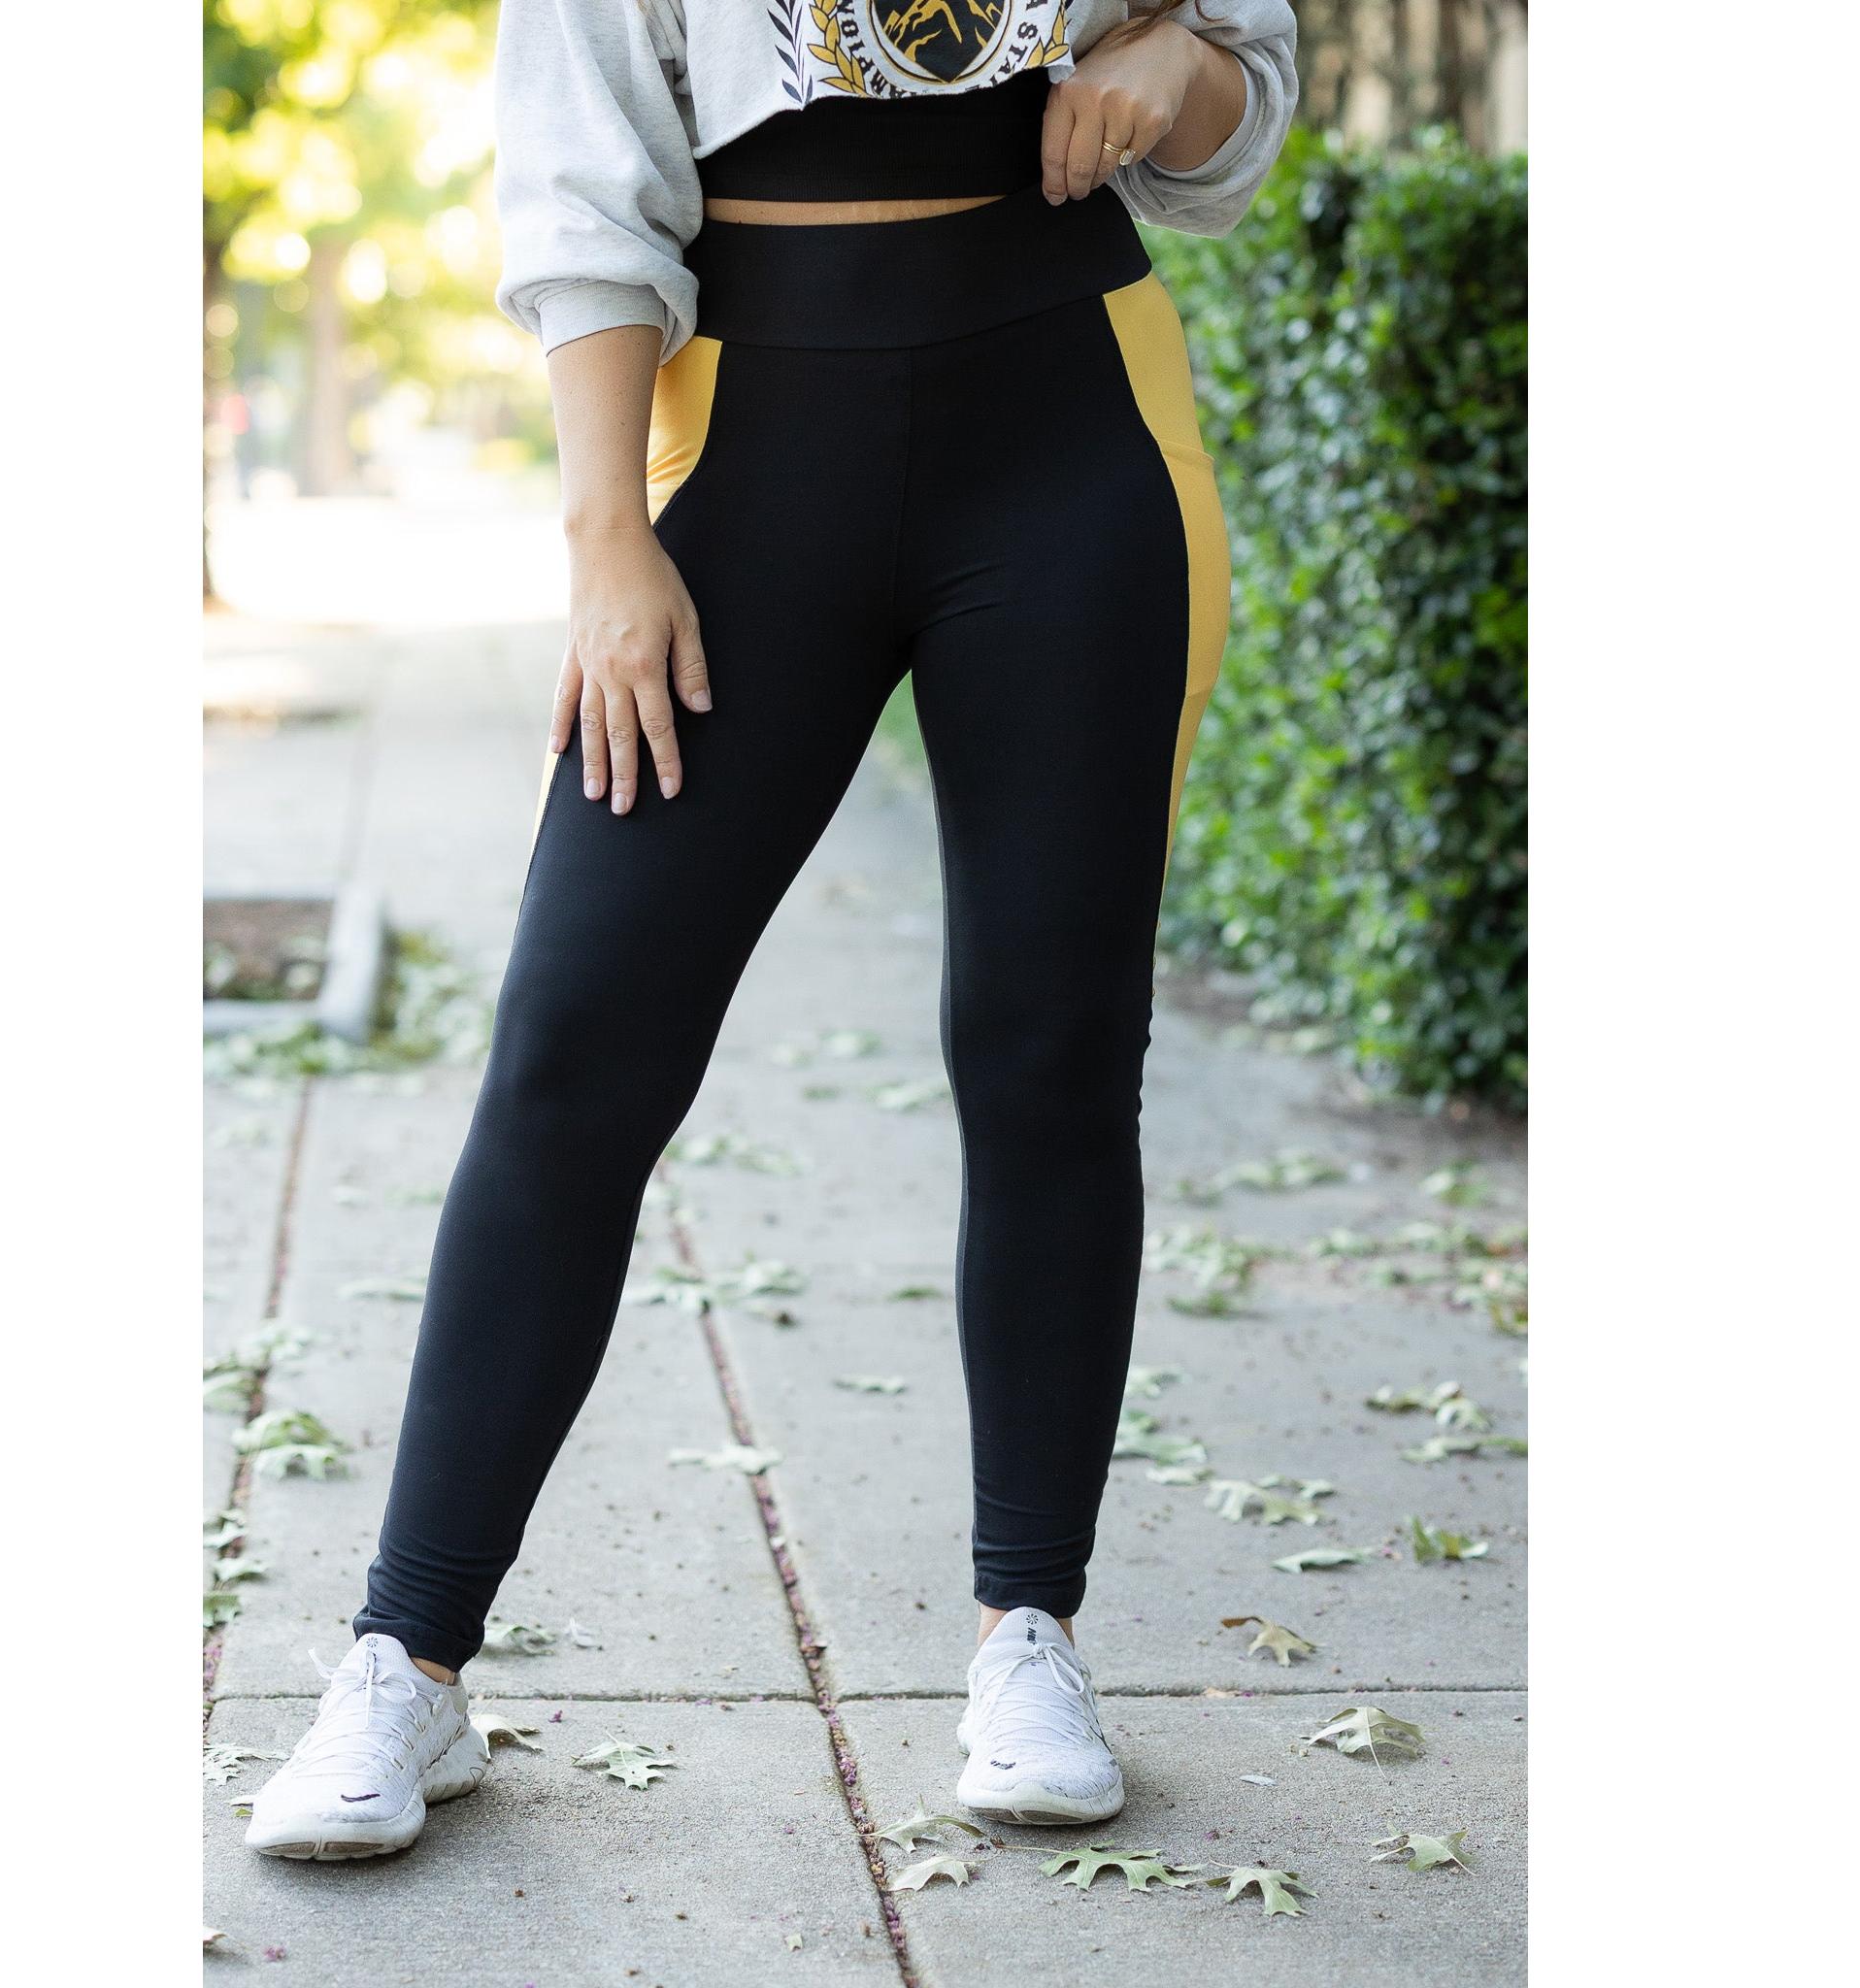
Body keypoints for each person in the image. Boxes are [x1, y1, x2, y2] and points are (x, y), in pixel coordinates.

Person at [247, 0, 1298, 1862]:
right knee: (576, 1048)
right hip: (743, 454)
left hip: (1075, 425)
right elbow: (584, 192)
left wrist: (1179, 71)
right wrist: (605, 539)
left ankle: (1030, 1636)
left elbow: (1242, 90)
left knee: (1053, 1050)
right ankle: (407, 1657)